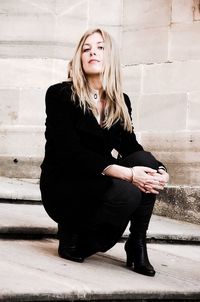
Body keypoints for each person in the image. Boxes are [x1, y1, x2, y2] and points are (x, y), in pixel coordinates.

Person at [39, 27, 169, 277]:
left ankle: (137, 242)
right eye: (86, 49)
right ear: (79, 58)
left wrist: (160, 171)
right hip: (65, 184)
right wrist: (127, 174)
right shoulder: (60, 94)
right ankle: (73, 234)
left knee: (146, 163)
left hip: (98, 181)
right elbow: (69, 151)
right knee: (126, 190)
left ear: (110, 57)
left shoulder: (120, 100)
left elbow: (131, 148)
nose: (92, 53)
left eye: (99, 48)